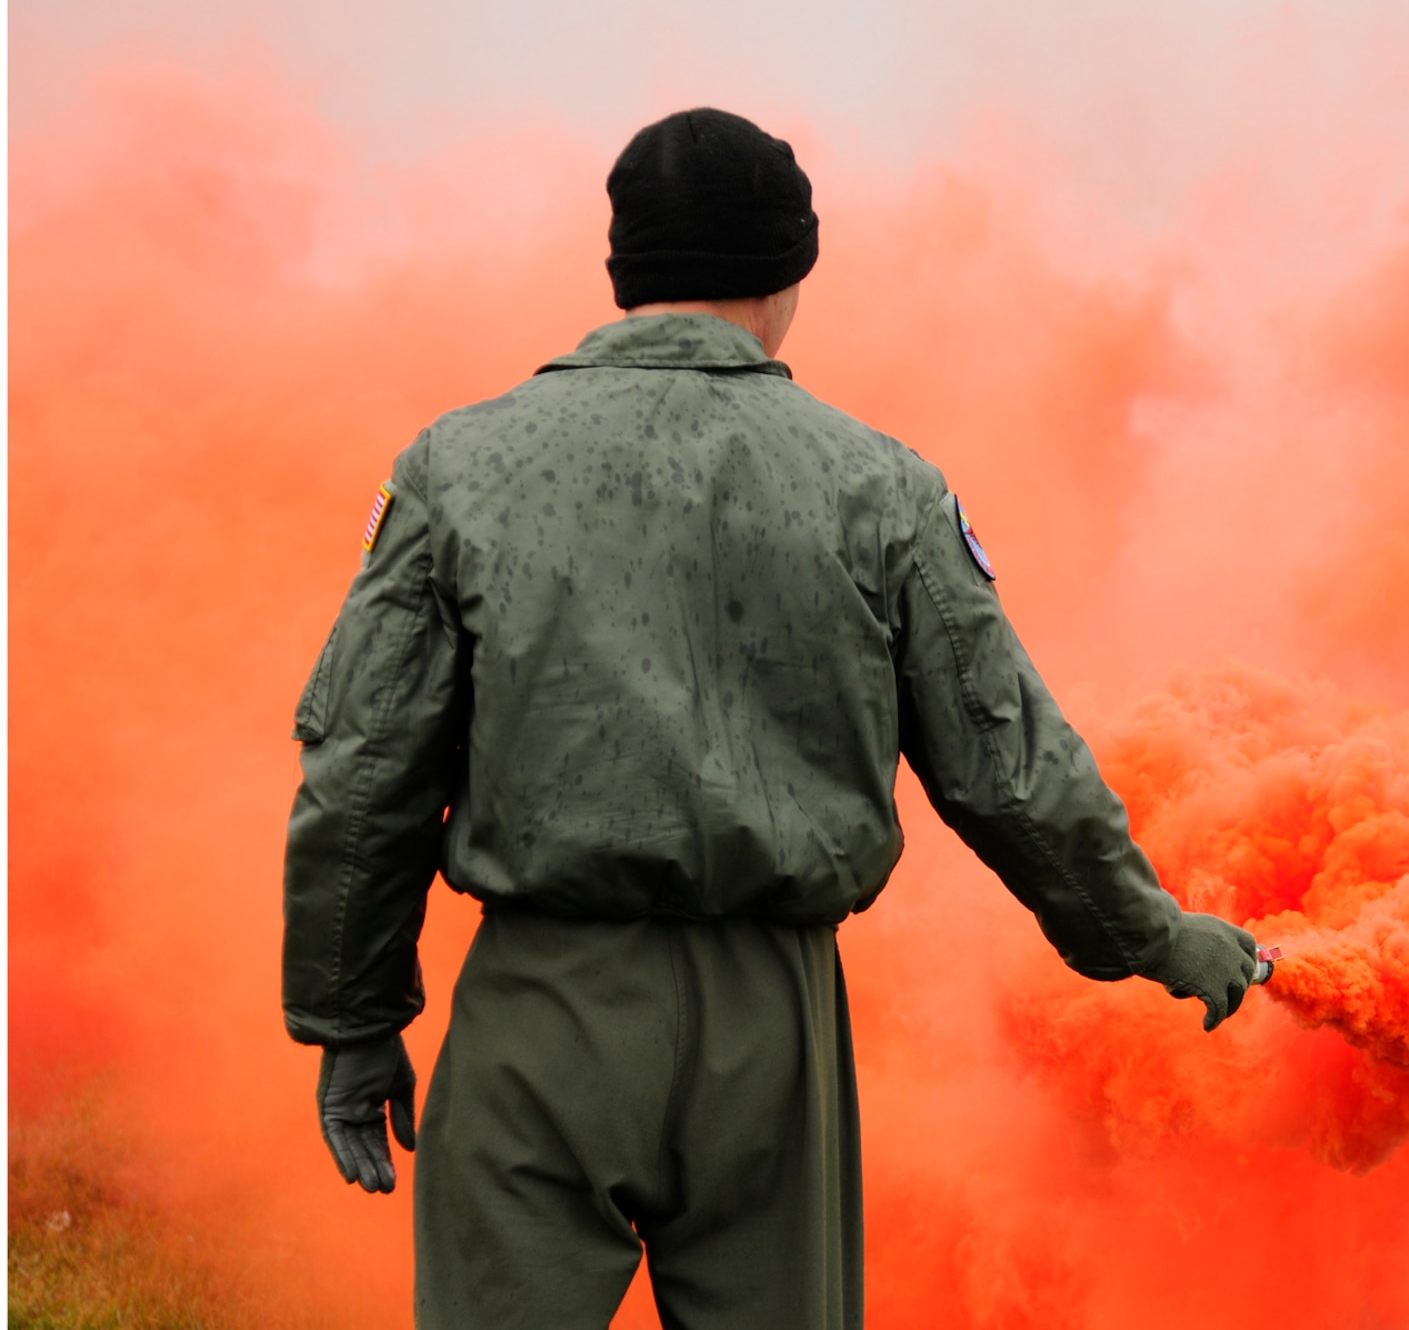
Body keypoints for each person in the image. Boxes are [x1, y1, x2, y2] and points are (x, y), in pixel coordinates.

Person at [283, 107, 1261, 1330]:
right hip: (773, 1024)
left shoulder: (458, 466)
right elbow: (1010, 771)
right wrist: (1152, 935)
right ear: (790, 269)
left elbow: (363, 772)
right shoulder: (882, 487)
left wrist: (353, 1019)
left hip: (540, 1007)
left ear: (619, 267)